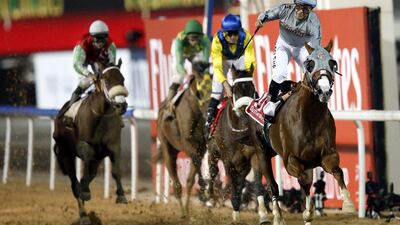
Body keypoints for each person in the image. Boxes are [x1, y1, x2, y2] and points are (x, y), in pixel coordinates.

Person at [255, 0, 321, 107]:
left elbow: (316, 46)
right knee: (279, 74)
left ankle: (314, 104)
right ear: (295, 5)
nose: (301, 11)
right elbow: (267, 14)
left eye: (306, 9)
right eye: (299, 6)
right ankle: (270, 105)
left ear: (310, 10)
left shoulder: (313, 21)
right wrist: (260, 19)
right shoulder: (285, 10)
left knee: (313, 72)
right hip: (283, 45)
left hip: (302, 48)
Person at [204, 14, 256, 135]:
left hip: (239, 58)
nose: (233, 37)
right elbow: (217, 66)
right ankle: (209, 122)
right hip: (223, 60)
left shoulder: (246, 36)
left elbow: (250, 62)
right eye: (229, 34)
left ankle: (258, 116)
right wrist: (226, 84)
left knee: (248, 85)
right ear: (224, 33)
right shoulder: (217, 41)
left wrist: (246, 76)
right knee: (217, 91)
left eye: (235, 33)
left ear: (240, 31)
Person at [164, 19, 211, 119]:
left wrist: (206, 74)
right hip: (182, 53)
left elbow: (206, 63)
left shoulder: (205, 40)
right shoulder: (179, 42)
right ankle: (168, 107)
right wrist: (186, 75)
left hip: (194, 53)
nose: (194, 41)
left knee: (202, 72)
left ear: (201, 36)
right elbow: (179, 64)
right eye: (192, 38)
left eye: (197, 38)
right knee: (178, 77)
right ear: (186, 36)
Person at [69, 19, 117, 107]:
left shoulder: (111, 46)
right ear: (91, 37)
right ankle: (71, 106)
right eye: (97, 39)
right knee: (85, 81)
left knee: (104, 79)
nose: (100, 43)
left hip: (97, 59)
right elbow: (77, 65)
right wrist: (89, 74)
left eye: (103, 39)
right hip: (83, 60)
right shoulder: (82, 45)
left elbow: (111, 67)